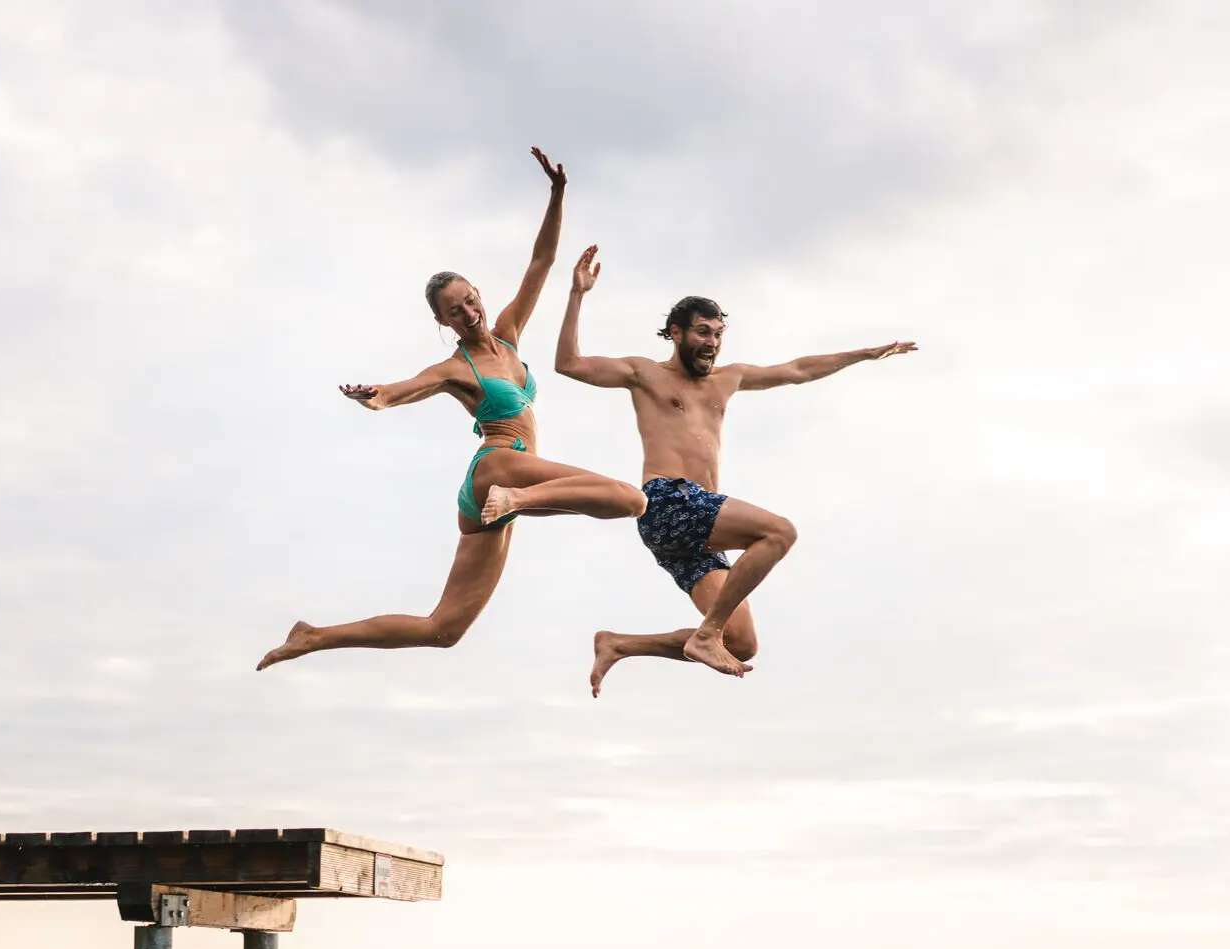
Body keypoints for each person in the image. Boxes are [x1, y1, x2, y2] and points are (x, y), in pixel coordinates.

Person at [257, 152, 647, 672]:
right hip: (500, 467)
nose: (468, 313)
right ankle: (518, 498)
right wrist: (373, 394)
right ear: (441, 320)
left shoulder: (508, 337)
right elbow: (401, 390)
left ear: (478, 294)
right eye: (454, 311)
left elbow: (541, 264)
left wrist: (556, 195)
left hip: (490, 492)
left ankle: (313, 637)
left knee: (443, 629)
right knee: (630, 499)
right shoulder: (454, 367)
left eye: (469, 300)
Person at [554, 245, 916, 695]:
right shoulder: (644, 373)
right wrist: (577, 295)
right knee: (778, 533)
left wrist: (862, 354)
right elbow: (567, 364)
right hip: (668, 501)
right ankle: (705, 636)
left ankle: (618, 644)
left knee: (741, 643)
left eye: (718, 334)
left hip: (696, 528)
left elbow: (799, 370)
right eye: (703, 332)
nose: (712, 342)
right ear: (675, 333)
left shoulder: (730, 378)